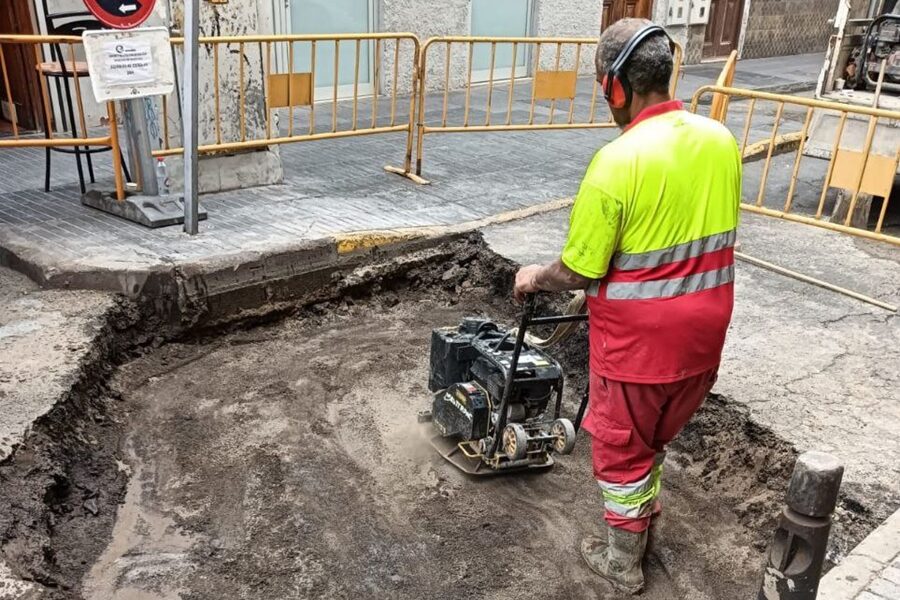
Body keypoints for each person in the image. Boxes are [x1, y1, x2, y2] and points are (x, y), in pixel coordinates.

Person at [512, 18, 742, 595]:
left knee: (619, 449)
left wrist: (534, 277)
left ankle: (622, 557)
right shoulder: (720, 141)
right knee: (653, 438)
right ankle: (646, 519)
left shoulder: (616, 164)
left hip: (639, 348)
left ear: (615, 87)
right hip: (706, 337)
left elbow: (579, 270)